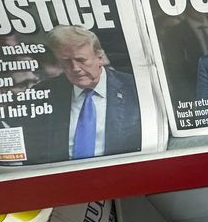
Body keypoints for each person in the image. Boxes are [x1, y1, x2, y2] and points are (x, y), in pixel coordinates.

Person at [21, 25, 141, 164]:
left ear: (100, 57)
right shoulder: (44, 93)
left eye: (81, 60)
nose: (75, 68)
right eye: (66, 61)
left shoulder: (133, 88)